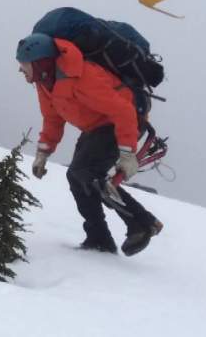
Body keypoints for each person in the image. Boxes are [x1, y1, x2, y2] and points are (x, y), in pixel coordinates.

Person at [16, 32, 162, 256]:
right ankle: (99, 238)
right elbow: (52, 118)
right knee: (77, 176)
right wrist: (43, 153)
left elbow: (123, 111)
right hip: (97, 128)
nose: (21, 70)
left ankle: (142, 223)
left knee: (86, 172)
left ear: (40, 62)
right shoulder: (45, 82)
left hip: (123, 123)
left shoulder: (82, 77)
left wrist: (127, 153)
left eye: (25, 65)